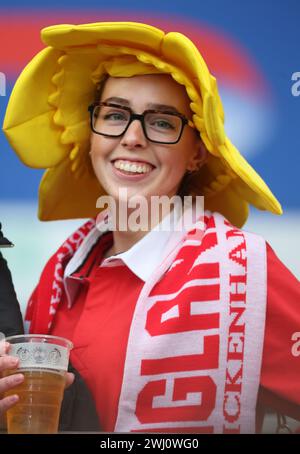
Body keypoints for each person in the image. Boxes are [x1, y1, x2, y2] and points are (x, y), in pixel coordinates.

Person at [1, 21, 300, 434]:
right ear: (92, 135)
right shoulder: (61, 276)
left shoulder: (244, 272)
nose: (133, 137)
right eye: (115, 114)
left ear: (196, 152)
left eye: (161, 122)